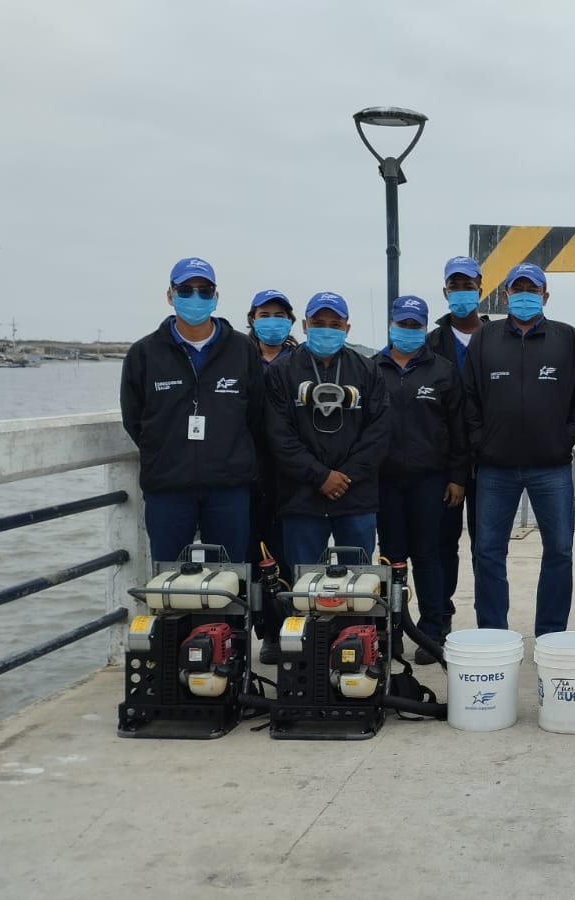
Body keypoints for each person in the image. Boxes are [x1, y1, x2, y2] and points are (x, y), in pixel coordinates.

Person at [461, 263, 575, 636]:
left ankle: (550, 632)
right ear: (505, 295)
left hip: (552, 467)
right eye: (517, 289)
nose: (524, 296)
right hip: (495, 468)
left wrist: (565, 438)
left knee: (560, 551)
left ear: (545, 296)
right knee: (488, 551)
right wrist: (481, 442)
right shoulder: (484, 339)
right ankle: (493, 632)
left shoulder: (567, 338)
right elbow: (468, 397)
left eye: (532, 290)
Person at [120, 257, 263, 567]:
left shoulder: (243, 349)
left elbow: (256, 414)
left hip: (229, 488)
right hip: (167, 488)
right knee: (169, 578)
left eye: (204, 290)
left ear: (216, 296)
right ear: (170, 296)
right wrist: (166, 454)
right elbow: (134, 418)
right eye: (185, 290)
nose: (195, 297)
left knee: (228, 577)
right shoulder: (143, 353)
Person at [264, 292, 391, 571]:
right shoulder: (280, 372)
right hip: (301, 498)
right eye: (319, 323)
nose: (327, 329)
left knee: (358, 583)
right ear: (305, 325)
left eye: (335, 324)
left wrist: (345, 478)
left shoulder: (368, 370)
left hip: (356, 498)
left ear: (347, 328)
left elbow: (379, 432)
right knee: (304, 585)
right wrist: (320, 476)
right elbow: (279, 435)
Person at [375, 295, 468, 662]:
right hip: (384, 481)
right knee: (391, 558)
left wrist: (457, 476)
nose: (409, 330)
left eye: (416, 325)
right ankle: (391, 630)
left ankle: (432, 630)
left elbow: (458, 429)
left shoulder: (443, 371)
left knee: (429, 555)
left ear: (425, 328)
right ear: (392, 324)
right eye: (403, 324)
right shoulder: (372, 368)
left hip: (430, 480)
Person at [426, 256, 489, 637]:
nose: (462, 292)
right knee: (441, 546)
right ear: (445, 291)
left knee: (487, 548)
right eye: (455, 286)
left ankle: (489, 624)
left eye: (468, 285)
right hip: (443, 463)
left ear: (481, 288)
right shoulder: (430, 342)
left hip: (489, 462)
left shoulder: (498, 337)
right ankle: (438, 620)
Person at [245, 288, 299, 662]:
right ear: (252, 319)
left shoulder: (301, 361)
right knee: (250, 557)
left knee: (287, 555)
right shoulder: (237, 357)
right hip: (245, 474)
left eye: (279, 315)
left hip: (290, 476)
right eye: (264, 315)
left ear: (291, 322)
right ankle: (261, 631)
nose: (272, 322)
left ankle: (287, 628)